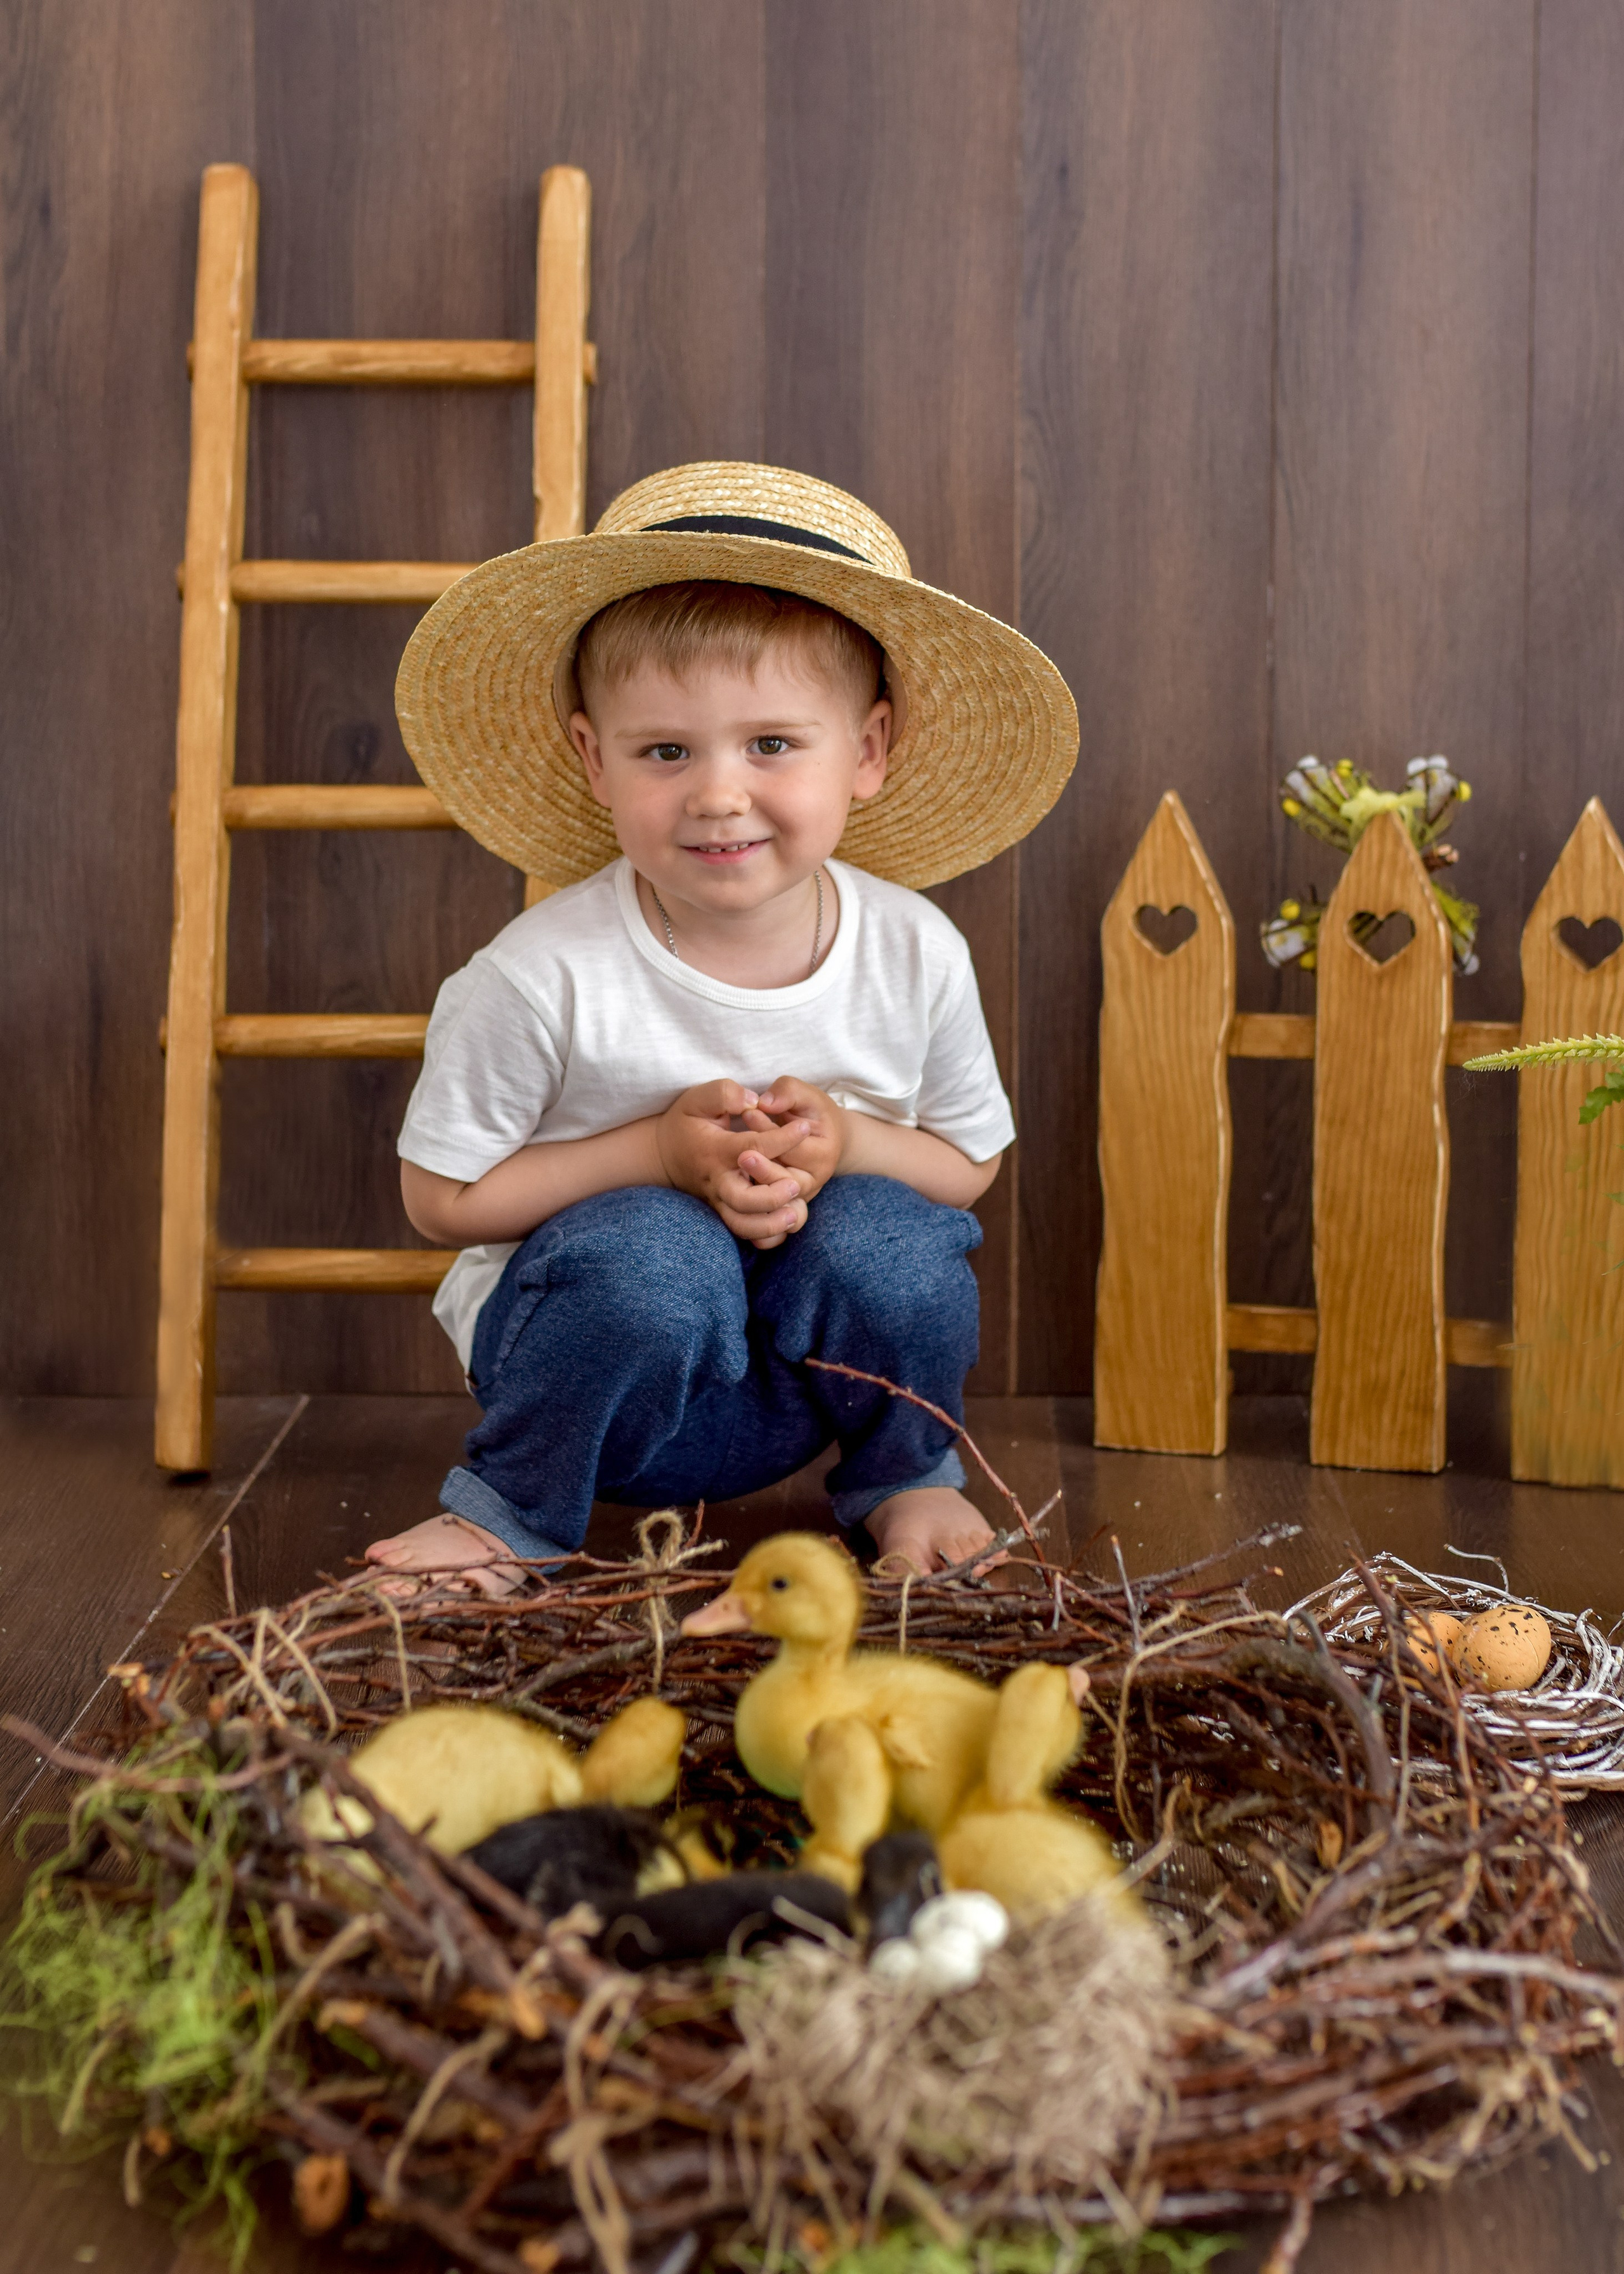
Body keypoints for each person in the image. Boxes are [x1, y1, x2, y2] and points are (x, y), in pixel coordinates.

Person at [366, 463, 1076, 1593]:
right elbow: (439, 1198)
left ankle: (907, 1477)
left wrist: (849, 1141)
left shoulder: (914, 950)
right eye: (666, 752)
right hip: (596, 1384)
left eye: (773, 746)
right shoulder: (543, 974)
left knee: (891, 1236)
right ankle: (511, 1512)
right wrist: (650, 1155)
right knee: (657, 1246)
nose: (718, 793)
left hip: (809, 1390)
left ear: (871, 752)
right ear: (594, 758)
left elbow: (968, 1164)